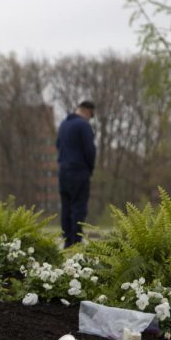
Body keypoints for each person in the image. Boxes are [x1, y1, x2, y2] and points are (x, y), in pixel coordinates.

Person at [56, 100, 96, 247]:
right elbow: (90, 150)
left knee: (66, 207)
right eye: (91, 115)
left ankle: (67, 241)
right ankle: (76, 242)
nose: (90, 118)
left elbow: (58, 145)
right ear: (87, 111)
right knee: (79, 207)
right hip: (79, 171)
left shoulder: (63, 125)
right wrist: (90, 168)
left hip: (63, 171)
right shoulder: (84, 125)